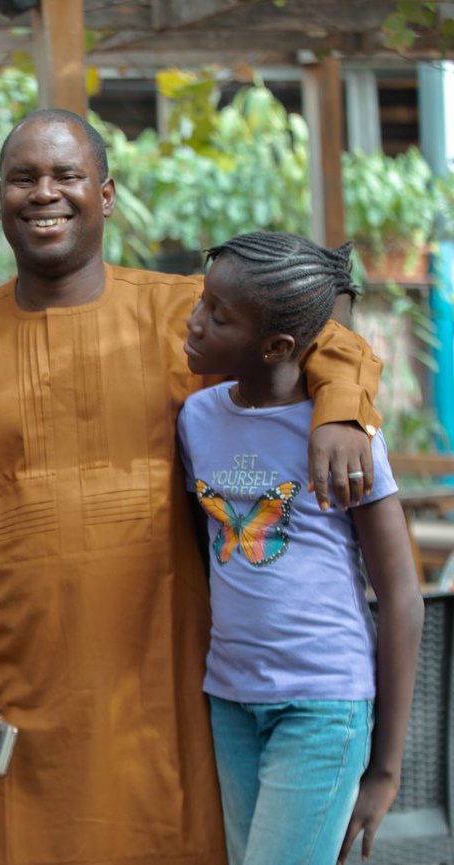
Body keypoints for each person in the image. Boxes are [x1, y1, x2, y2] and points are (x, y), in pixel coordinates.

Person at [0, 108, 384, 865]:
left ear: (108, 195)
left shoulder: (179, 315)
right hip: (8, 686)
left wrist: (341, 411)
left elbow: (321, 335)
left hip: (166, 689)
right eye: (23, 178)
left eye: (66, 176)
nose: (43, 193)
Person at [178, 231, 423, 865]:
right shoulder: (197, 418)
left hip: (321, 704)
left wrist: (385, 769)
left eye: (217, 315)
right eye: (202, 302)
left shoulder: (341, 434)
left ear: (278, 345)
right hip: (230, 699)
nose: (194, 321)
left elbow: (401, 595)